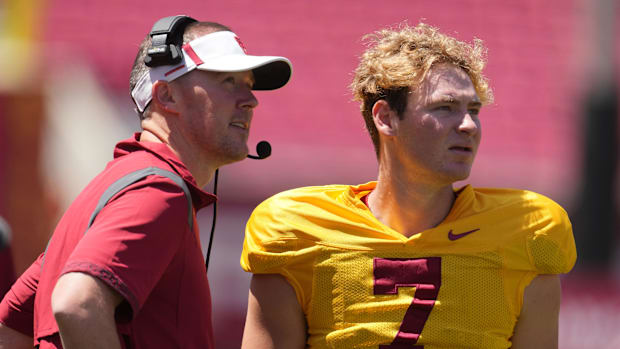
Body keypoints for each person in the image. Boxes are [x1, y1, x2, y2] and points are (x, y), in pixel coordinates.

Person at [240, 23, 576, 349]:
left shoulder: (527, 232)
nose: (468, 125)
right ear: (386, 117)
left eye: (473, 110)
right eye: (445, 108)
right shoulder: (298, 231)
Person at [0, 15, 292, 349]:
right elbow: (77, 304)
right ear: (166, 96)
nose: (250, 100)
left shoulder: (113, 188)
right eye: (228, 81)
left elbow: (10, 331)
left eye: (248, 83)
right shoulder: (158, 190)